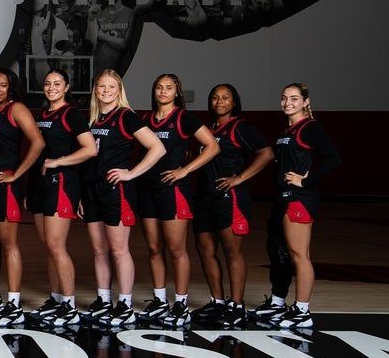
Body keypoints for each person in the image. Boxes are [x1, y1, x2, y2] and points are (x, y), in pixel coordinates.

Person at [80, 69, 165, 326]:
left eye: (111, 87)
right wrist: (83, 195)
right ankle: (104, 300)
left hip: (116, 190)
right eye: (101, 87)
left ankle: (125, 304)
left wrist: (131, 173)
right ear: (95, 90)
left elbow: (157, 147)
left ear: (119, 90)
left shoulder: (126, 117)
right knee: (98, 250)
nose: (106, 91)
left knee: (118, 250)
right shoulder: (93, 120)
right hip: (92, 190)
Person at [252, 83, 340, 329]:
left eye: (293, 98)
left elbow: (334, 157)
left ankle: (302, 311)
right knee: (278, 251)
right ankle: (279, 303)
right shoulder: (289, 129)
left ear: (305, 102)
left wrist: (306, 180)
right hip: (282, 197)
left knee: (299, 256)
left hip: (299, 199)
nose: (287, 102)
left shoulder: (310, 127)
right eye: (283, 98)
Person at [136, 74, 219, 327]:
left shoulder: (183, 118)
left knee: (176, 249)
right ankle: (160, 300)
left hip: (174, 190)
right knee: (153, 248)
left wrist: (184, 170)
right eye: (159, 87)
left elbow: (213, 146)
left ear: (177, 92)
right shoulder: (146, 119)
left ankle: (180, 303)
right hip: (147, 189)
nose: (163, 91)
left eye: (168, 88)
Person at [192, 84, 274, 327]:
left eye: (225, 98)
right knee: (205, 250)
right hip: (204, 197)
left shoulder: (240, 127)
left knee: (232, 252)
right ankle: (218, 302)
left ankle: (237, 306)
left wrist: (239, 178)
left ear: (234, 102)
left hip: (230, 197)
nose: (219, 101)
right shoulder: (207, 129)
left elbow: (267, 153)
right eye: (215, 98)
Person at [0, 68, 44, 326]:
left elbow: (38, 143)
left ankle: (13, 304)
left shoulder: (17, 109)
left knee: (8, 243)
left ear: (10, 87)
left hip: (5, 185)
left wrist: (17, 174)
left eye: (3, 85)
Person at [25, 69, 97, 326]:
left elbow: (90, 149)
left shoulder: (72, 115)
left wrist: (58, 162)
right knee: (49, 247)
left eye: (57, 83)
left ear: (67, 87)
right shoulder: (42, 115)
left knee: (57, 246)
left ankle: (69, 305)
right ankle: (56, 300)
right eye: (47, 83)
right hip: (39, 186)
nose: (52, 87)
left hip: (62, 184)